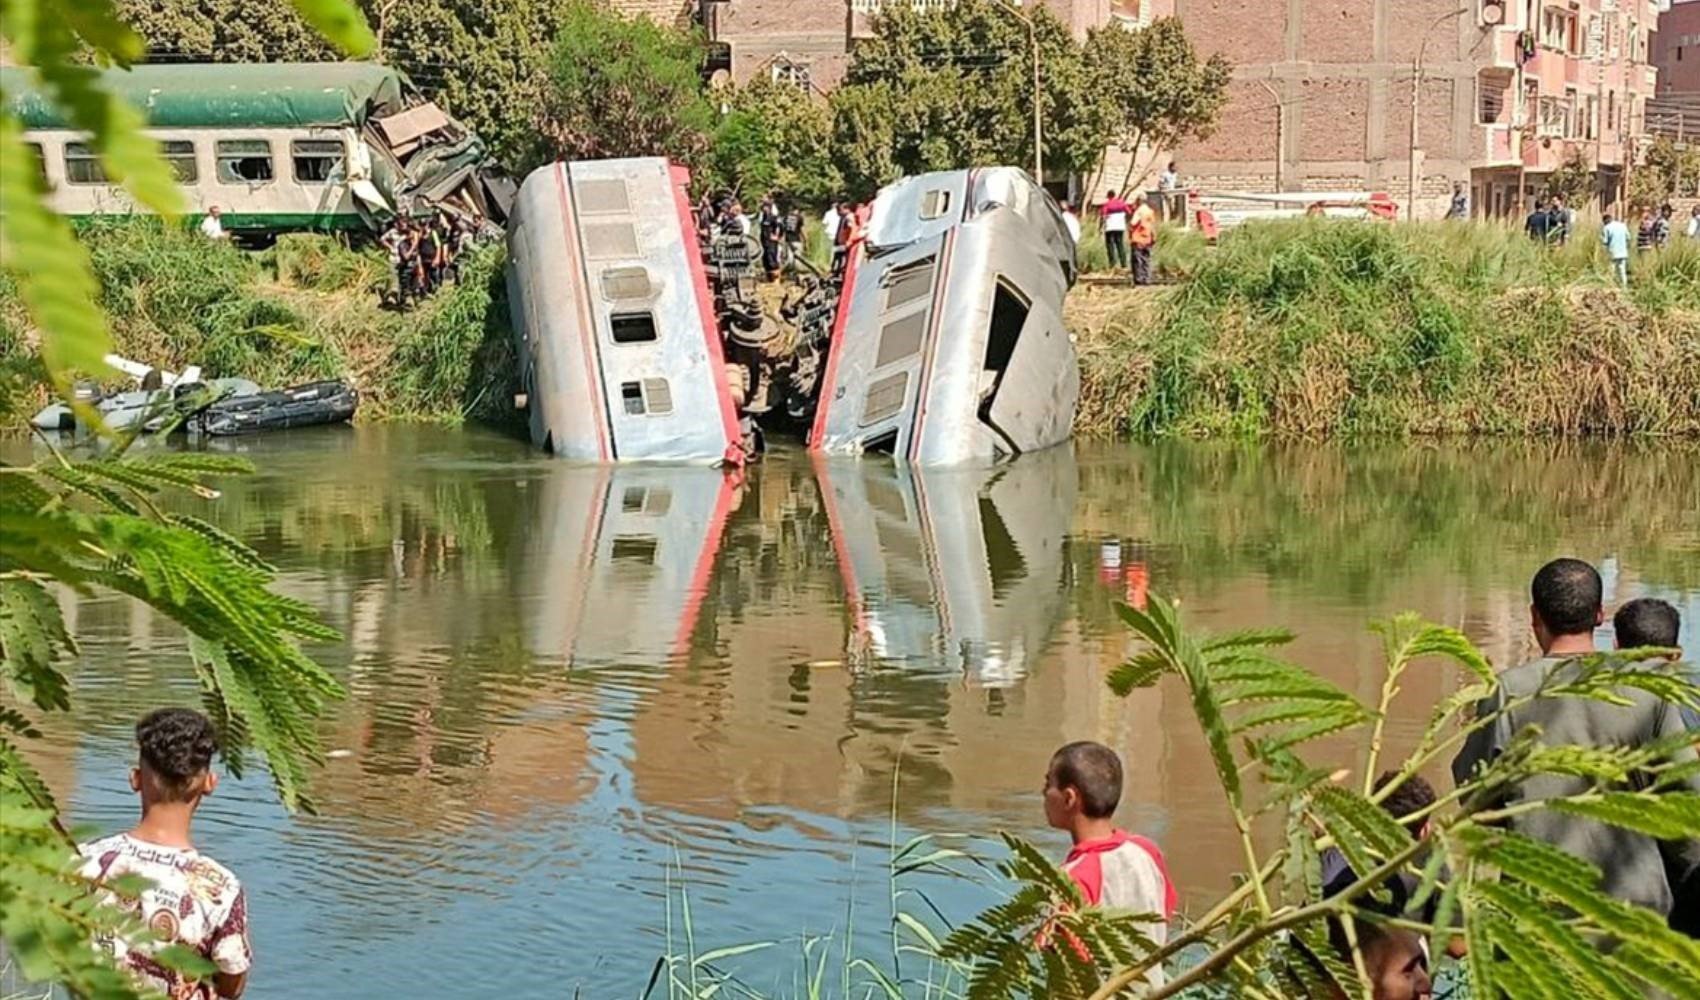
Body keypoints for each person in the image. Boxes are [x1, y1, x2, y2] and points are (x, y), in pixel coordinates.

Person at [1452, 558, 1700, 918]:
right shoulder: (1646, 689)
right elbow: (1686, 810)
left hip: (1536, 912)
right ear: (1600, 616)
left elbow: (1473, 794)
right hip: (1637, 917)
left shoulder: (1510, 691)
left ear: (1534, 615)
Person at [79, 708, 252, 999]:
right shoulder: (220, 887)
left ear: (135, 779)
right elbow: (231, 983)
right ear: (210, 783)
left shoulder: (84, 861)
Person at [1043, 741, 1177, 986]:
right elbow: (1165, 915)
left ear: (1069, 798)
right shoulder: (1147, 852)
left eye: (1048, 783)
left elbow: (1067, 962)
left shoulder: (1071, 878)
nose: (1043, 793)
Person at [1129, 192, 1157, 286]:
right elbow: (1152, 226)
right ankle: (1147, 278)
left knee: (1137, 261)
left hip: (1138, 238)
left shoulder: (1139, 211)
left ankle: (1139, 280)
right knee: (1146, 260)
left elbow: (1133, 223)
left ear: (1139, 201)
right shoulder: (1150, 211)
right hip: (1148, 238)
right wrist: (1154, 237)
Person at [1099, 189, 1129, 271]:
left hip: (1110, 227)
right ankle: (1124, 264)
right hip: (1120, 227)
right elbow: (1129, 211)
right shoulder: (1121, 203)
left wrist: (1100, 227)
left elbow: (1103, 216)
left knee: (1110, 246)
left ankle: (1112, 264)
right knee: (1120, 245)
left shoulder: (1107, 204)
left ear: (1108, 196)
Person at [1601, 211, 1630, 285]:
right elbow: (1628, 237)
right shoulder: (1623, 225)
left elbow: (1605, 241)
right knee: (1622, 270)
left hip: (1612, 252)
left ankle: (1611, 285)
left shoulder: (1606, 228)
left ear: (1605, 221)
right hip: (1623, 251)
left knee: (1611, 270)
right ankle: (1624, 286)